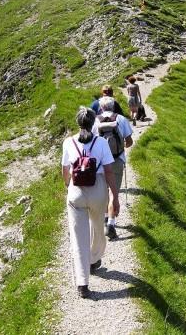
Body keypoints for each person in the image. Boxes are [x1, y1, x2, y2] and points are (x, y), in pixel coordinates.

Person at [61, 107, 120, 299]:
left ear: (78, 123)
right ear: (93, 123)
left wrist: (69, 187)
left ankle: (82, 284)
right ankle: (94, 259)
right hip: (98, 191)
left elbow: (65, 171)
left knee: (78, 239)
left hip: (76, 192)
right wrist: (115, 196)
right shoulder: (101, 142)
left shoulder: (68, 142)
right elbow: (110, 171)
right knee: (97, 228)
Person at [92, 96, 134, 239]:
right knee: (113, 192)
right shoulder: (121, 119)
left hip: (99, 163)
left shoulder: (95, 121)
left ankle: (104, 218)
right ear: (113, 106)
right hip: (116, 161)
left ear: (101, 107)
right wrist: (120, 148)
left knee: (103, 191)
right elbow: (129, 142)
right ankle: (111, 223)